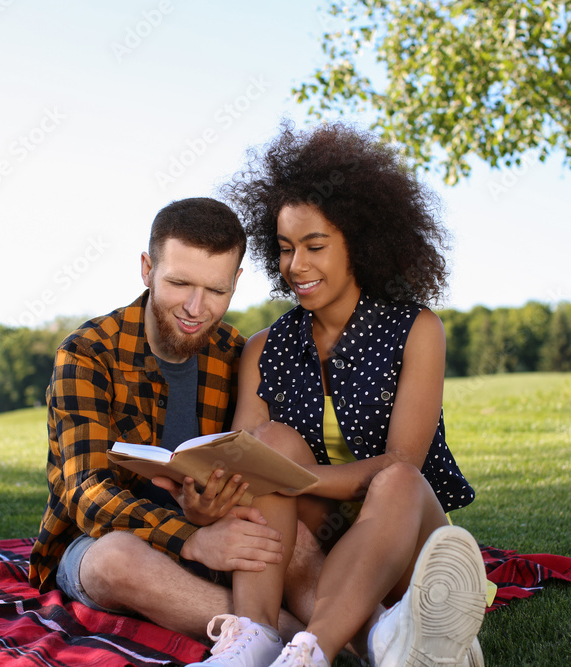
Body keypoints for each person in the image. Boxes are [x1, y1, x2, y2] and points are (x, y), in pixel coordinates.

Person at [188, 123, 488, 666]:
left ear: (361, 243)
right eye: (284, 249)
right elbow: (247, 460)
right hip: (313, 540)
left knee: (396, 477)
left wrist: (293, 480)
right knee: (267, 444)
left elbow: (402, 462)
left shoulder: (416, 330)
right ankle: (254, 639)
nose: (295, 266)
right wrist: (209, 496)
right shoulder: (265, 347)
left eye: (314, 246)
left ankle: (313, 650)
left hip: (401, 534)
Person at [28, 197, 318, 646]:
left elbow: (258, 465)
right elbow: (86, 494)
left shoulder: (236, 353)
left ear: (236, 282)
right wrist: (191, 540)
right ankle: (308, 640)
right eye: (180, 283)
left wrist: (215, 513)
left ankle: (380, 632)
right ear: (147, 269)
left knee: (285, 537)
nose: (195, 308)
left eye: (217, 291)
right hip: (106, 541)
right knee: (117, 561)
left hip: (213, 532)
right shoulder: (86, 353)